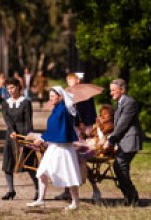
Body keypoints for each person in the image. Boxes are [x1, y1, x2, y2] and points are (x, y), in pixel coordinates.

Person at [26, 86, 82, 210]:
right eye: (49, 96)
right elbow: (53, 129)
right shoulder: (57, 109)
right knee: (42, 172)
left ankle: (76, 202)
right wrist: (43, 137)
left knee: (69, 175)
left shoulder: (63, 110)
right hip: (54, 147)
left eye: (52, 96)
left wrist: (42, 139)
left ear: (60, 97)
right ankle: (40, 200)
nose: (50, 98)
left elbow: (57, 129)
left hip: (64, 149)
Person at [54, 72, 97, 201]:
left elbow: (91, 113)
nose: (68, 83)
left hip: (82, 132)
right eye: (67, 80)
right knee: (67, 161)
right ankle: (67, 191)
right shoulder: (68, 95)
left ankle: (95, 190)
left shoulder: (86, 95)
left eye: (70, 80)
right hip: (71, 130)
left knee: (80, 160)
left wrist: (85, 123)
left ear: (77, 80)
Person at [103, 78, 143, 206]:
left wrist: (111, 140)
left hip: (130, 141)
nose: (111, 93)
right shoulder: (121, 102)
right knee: (120, 167)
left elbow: (122, 125)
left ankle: (132, 196)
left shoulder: (129, 103)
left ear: (122, 90)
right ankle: (129, 197)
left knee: (120, 166)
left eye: (113, 90)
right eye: (111, 90)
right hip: (124, 141)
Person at [1, 77, 39, 201]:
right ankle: (11, 190)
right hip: (10, 137)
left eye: (12, 88)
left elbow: (29, 121)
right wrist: (12, 131)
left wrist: (29, 136)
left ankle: (38, 190)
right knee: (8, 163)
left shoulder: (26, 102)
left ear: (18, 87)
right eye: (8, 89)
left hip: (24, 136)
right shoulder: (5, 103)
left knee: (29, 164)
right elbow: (7, 120)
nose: (10, 91)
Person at [73, 104, 115, 202]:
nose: (102, 116)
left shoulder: (110, 126)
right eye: (101, 114)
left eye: (105, 114)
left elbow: (103, 137)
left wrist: (99, 126)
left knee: (79, 156)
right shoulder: (99, 125)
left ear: (111, 115)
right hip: (91, 146)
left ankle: (83, 185)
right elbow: (89, 135)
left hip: (100, 149)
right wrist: (84, 132)